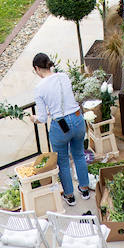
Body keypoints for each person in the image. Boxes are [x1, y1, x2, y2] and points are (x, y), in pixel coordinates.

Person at [29, 52, 90, 206]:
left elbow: (42, 118)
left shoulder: (39, 88)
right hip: (77, 118)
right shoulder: (63, 76)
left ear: (37, 68)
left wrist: (34, 118)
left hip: (60, 126)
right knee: (79, 155)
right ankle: (84, 189)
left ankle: (69, 196)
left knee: (63, 161)